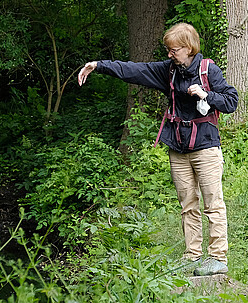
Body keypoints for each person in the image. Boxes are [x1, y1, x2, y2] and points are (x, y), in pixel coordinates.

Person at [77, 23, 239, 276]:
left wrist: (206, 95)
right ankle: (192, 256)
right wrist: (99, 65)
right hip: (177, 146)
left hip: (206, 146)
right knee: (187, 205)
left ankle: (218, 258)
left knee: (213, 204)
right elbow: (134, 70)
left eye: (173, 50)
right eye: (168, 50)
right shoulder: (169, 71)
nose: (169, 55)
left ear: (188, 48)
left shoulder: (209, 69)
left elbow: (231, 101)